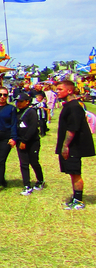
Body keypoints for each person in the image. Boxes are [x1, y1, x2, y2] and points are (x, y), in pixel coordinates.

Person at [55, 80, 95, 210]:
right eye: (57, 89)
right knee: (72, 172)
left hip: (74, 146)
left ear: (69, 90)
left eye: (60, 89)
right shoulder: (68, 105)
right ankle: (75, 198)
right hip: (71, 146)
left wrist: (65, 145)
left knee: (75, 172)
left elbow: (72, 128)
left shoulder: (74, 107)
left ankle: (78, 201)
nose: (57, 91)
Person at [15, 92, 45, 195]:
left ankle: (40, 180)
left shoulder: (31, 112)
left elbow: (33, 128)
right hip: (20, 141)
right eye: (17, 101)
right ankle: (27, 185)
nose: (18, 103)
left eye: (20, 101)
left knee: (34, 162)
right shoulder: (17, 113)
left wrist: (25, 141)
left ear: (27, 102)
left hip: (32, 142)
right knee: (24, 164)